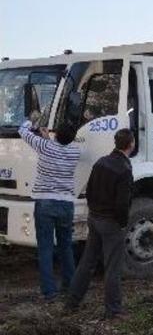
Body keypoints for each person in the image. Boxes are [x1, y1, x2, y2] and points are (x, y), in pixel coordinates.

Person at [65, 129, 135, 320]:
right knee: (113, 267)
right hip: (111, 223)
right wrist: (122, 223)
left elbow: (89, 190)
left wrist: (94, 212)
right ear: (131, 144)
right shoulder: (124, 169)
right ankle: (113, 309)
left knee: (87, 262)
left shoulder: (101, 162)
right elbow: (122, 203)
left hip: (94, 218)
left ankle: (72, 301)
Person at [18, 115, 81, 302]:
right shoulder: (75, 153)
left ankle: (49, 292)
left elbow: (22, 131)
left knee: (45, 248)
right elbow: (60, 147)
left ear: (56, 134)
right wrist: (49, 138)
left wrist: (31, 120)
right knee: (66, 247)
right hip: (66, 205)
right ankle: (70, 285)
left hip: (44, 203)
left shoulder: (45, 146)